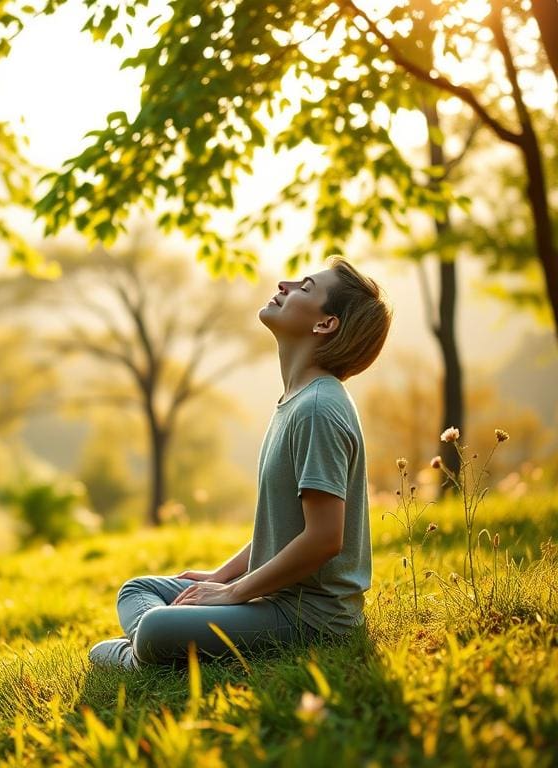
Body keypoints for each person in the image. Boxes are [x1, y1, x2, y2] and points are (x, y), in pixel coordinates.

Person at [88, 257, 392, 670]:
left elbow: (324, 538)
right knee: (138, 589)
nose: (284, 284)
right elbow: (285, 531)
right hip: (275, 598)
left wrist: (234, 594)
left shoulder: (319, 408)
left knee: (158, 626)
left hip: (313, 620)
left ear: (325, 324)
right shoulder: (297, 401)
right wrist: (220, 577)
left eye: (304, 287)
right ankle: (158, 645)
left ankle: (144, 652)